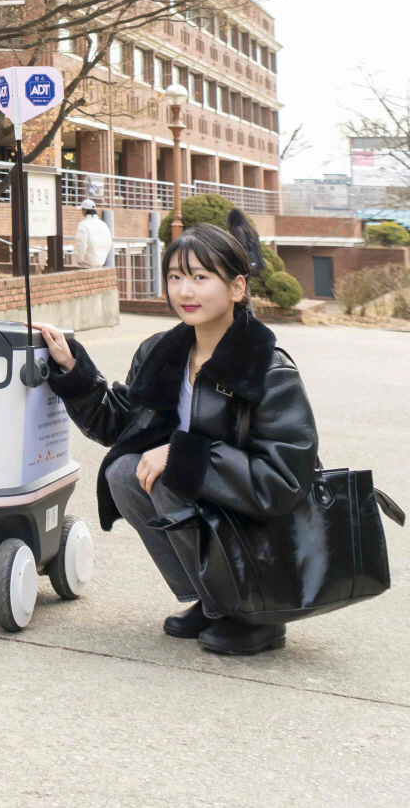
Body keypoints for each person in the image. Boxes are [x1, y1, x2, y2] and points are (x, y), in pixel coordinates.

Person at [37, 222, 318, 656]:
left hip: (263, 528)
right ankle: (212, 602)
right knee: (125, 471)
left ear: (237, 288)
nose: (184, 290)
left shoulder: (267, 370)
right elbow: (122, 426)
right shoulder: (163, 353)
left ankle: (255, 614)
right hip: (215, 515)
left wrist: (182, 454)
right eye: (174, 277)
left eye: (200, 277)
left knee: (170, 475)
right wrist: (74, 369)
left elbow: (284, 479)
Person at [71, 197, 114, 267]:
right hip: (101, 262)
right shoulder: (102, 224)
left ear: (84, 210)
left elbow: (81, 245)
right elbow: (109, 242)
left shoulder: (83, 224)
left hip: (87, 263)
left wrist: (80, 260)